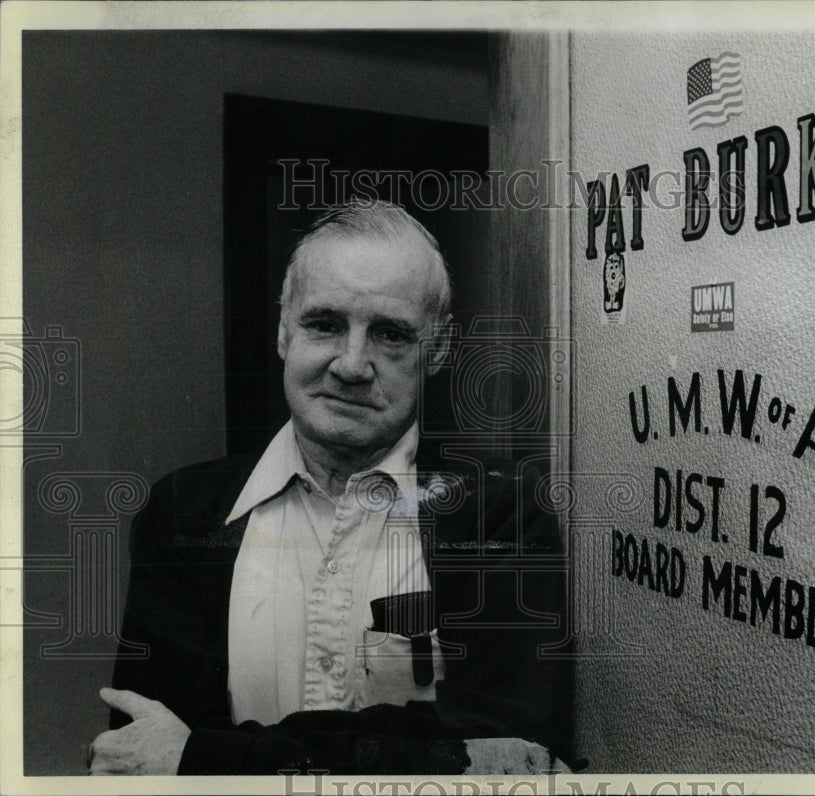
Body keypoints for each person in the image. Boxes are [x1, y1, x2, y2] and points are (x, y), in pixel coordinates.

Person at [88, 201, 570, 775]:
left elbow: (508, 755)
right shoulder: (183, 514)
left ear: (436, 351)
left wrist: (207, 755)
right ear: (283, 332)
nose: (351, 364)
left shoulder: (502, 511)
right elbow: (139, 753)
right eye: (325, 324)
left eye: (390, 334)